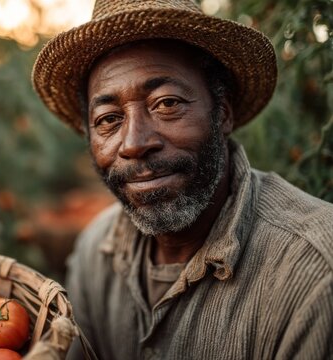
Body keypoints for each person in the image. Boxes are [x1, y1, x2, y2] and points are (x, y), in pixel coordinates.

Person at [31, 0, 333, 359]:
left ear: (222, 113)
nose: (134, 144)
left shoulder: (315, 276)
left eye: (167, 103)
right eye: (108, 118)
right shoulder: (94, 252)